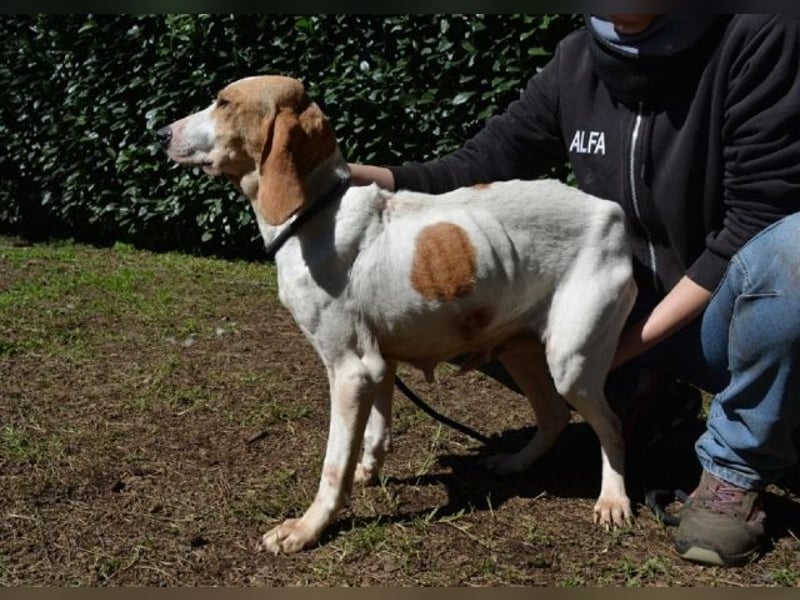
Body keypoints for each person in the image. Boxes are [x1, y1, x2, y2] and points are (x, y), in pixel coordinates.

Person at [348, 14, 800, 567]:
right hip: (616, 307)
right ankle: (650, 406)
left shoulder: (760, 34)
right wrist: (331, 174)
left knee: (793, 249)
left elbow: (755, 222)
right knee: (468, 305)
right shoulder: (575, 59)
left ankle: (736, 466)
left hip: (723, 317)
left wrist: (619, 348)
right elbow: (471, 170)